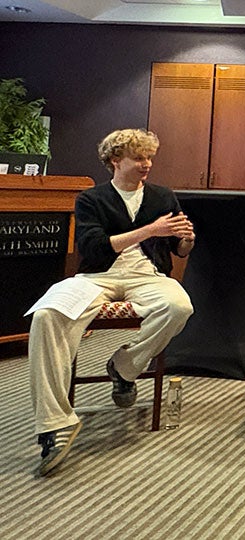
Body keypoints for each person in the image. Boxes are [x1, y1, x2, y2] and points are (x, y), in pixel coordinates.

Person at [29, 128, 195, 476]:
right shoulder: (91, 199)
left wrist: (185, 241)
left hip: (147, 277)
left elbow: (178, 250)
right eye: (139, 158)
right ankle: (55, 423)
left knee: (179, 306)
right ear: (115, 161)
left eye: (150, 158)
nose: (147, 164)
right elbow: (93, 249)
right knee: (46, 315)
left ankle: (124, 366)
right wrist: (150, 230)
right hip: (96, 277)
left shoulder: (163, 197)